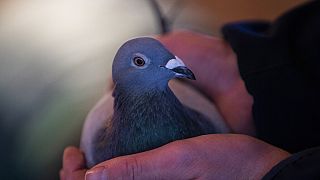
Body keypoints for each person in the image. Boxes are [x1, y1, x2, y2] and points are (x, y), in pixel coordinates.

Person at [60, 1, 320, 179]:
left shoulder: (216, 130)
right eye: (139, 62)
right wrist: (241, 65)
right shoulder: (94, 141)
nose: (177, 65)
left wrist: (271, 172)